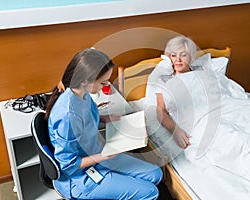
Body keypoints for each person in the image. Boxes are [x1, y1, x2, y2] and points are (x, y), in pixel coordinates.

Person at [45, 48, 162, 199]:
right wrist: (104, 156)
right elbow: (67, 165)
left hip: (95, 153)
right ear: (85, 81)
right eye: (103, 82)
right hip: (80, 177)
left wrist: (104, 117)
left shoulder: (82, 94)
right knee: (150, 192)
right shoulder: (67, 115)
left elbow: (84, 116)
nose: (105, 86)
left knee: (155, 174)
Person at [155, 36, 199, 149]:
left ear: (191, 57)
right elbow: (161, 111)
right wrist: (176, 131)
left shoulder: (201, 72)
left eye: (183, 55)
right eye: (174, 55)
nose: (178, 60)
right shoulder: (164, 80)